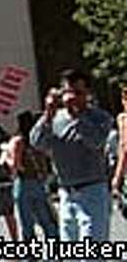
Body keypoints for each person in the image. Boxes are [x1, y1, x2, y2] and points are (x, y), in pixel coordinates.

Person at [30, 68, 113, 242]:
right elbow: (36, 142)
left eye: (78, 92)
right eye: (67, 91)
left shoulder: (100, 118)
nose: (72, 97)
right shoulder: (55, 118)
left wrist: (77, 115)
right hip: (66, 193)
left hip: (93, 191)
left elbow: (95, 142)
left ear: (87, 94)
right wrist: (48, 114)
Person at [5, 110, 58, 239]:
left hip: (23, 183)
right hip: (38, 181)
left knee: (26, 222)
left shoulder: (19, 141)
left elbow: (16, 165)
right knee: (45, 218)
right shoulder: (37, 141)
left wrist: (7, 158)